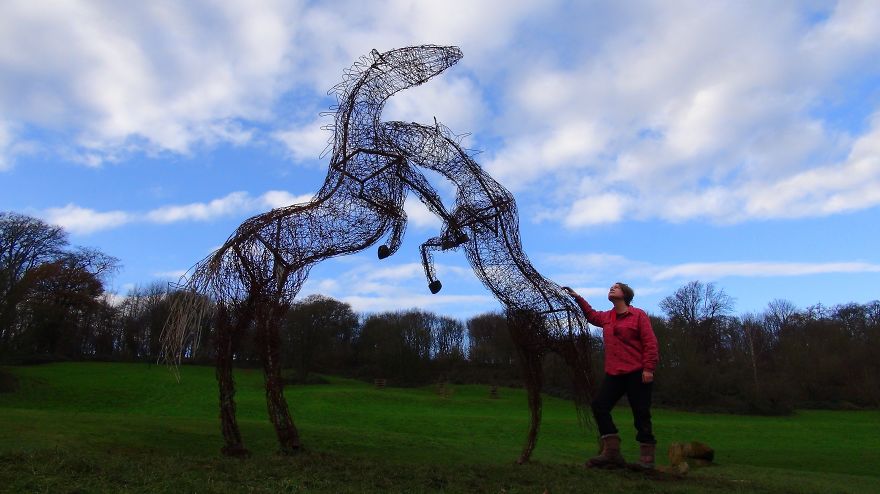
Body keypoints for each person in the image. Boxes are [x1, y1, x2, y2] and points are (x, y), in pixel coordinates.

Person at [563, 282, 659, 469]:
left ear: (625, 294)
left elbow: (650, 343)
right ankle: (612, 452)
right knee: (599, 406)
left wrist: (648, 368)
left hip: (637, 371)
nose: (611, 288)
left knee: (641, 413)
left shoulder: (638, 315)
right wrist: (578, 298)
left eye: (616, 287)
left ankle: (647, 459)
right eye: (611, 287)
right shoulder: (607, 317)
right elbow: (591, 315)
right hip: (614, 372)